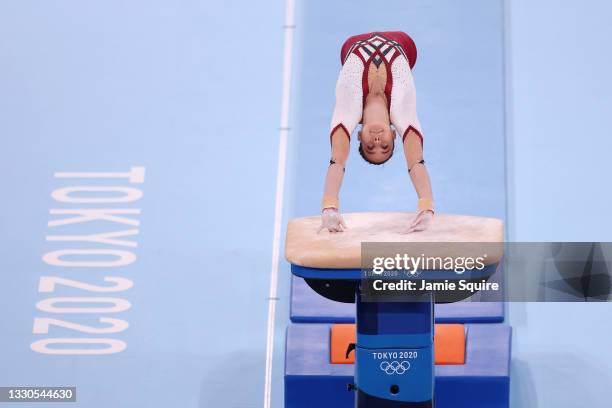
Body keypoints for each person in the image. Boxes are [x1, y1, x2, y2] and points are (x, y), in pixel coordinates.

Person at [319, 31, 435, 233]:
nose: (377, 140)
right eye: (385, 146)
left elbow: (337, 161)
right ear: (394, 135)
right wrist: (427, 209)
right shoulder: (402, 109)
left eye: (370, 146)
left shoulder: (348, 108)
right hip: (404, 42)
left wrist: (329, 208)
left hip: (351, 44)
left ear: (358, 136)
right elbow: (416, 161)